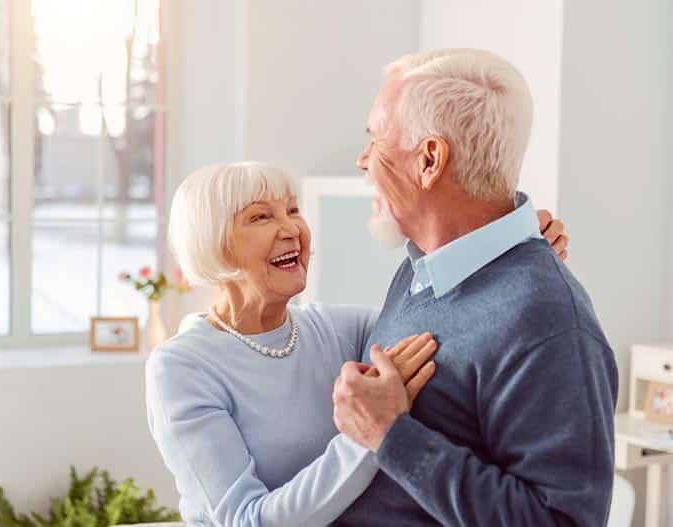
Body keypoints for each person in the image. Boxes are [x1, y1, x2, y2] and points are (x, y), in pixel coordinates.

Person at [146, 161, 569, 526]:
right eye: (260, 217)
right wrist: (370, 432)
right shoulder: (182, 366)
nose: (291, 228)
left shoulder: (339, 329)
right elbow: (248, 520)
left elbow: (449, 331)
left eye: (292, 210)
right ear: (214, 244)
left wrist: (511, 256)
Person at [331, 49, 618, 526]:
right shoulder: (420, 272)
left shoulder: (549, 322)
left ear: (429, 160)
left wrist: (391, 435)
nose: (363, 161)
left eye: (376, 140)